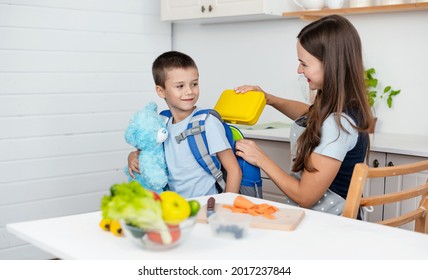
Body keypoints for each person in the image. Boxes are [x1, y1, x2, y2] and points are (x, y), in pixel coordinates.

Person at [234, 15, 372, 215]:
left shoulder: (338, 124)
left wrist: (261, 158)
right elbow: (309, 114)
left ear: (330, 64)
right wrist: (269, 99)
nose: (299, 70)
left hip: (330, 226)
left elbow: (305, 196)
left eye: (304, 64)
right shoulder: (344, 107)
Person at [127, 51, 241, 198]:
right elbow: (146, 152)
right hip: (174, 206)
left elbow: (233, 170)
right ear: (161, 91)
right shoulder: (161, 122)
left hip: (206, 205)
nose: (189, 91)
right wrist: (131, 157)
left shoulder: (207, 122)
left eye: (194, 84)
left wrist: (226, 207)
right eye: (180, 86)